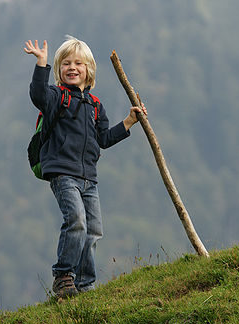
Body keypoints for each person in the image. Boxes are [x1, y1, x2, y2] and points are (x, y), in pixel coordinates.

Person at [24, 36, 147, 299]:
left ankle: (85, 285)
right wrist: (41, 64)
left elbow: (104, 139)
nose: (72, 67)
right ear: (59, 70)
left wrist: (128, 121)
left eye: (78, 63)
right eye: (66, 63)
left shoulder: (95, 106)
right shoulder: (57, 96)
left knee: (93, 230)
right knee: (76, 221)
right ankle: (64, 276)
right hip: (62, 173)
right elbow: (38, 95)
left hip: (89, 178)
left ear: (89, 70)